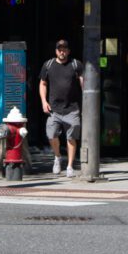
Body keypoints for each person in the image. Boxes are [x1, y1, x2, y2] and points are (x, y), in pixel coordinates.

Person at [39, 39, 83, 177]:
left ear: (68, 51)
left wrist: (87, 104)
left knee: (71, 137)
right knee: (51, 135)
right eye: (59, 49)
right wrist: (43, 101)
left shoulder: (76, 64)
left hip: (72, 108)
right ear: (56, 51)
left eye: (64, 49)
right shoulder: (48, 65)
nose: (62, 51)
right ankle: (57, 157)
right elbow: (43, 84)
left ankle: (69, 166)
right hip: (54, 109)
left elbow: (83, 84)